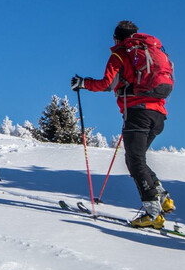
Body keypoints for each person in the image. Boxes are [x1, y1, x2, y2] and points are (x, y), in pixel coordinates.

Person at [71, 20, 176, 229]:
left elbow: (106, 84)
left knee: (134, 161)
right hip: (158, 114)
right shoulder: (150, 51)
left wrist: (83, 83)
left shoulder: (120, 54)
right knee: (136, 159)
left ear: (116, 38)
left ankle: (153, 213)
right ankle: (163, 198)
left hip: (138, 113)